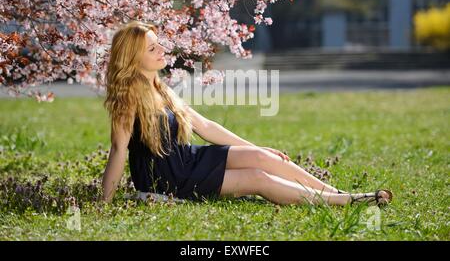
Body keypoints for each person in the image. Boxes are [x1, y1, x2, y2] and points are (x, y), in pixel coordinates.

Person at [101, 20, 393, 207]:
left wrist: (255, 148)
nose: (162, 49)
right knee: (257, 178)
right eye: (153, 48)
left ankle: (337, 192)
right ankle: (345, 202)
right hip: (168, 181)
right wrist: (104, 203)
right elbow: (118, 150)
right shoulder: (127, 98)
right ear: (134, 58)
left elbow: (204, 125)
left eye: (159, 43)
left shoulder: (160, 87)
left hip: (189, 159)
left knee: (264, 159)